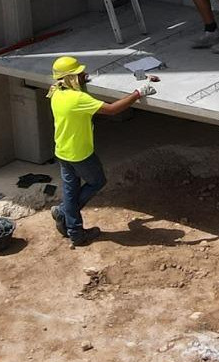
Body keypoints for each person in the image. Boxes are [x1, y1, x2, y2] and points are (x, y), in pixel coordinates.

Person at [48, 55, 153, 247]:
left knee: (71, 191)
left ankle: (74, 231)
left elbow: (80, 95)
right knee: (97, 181)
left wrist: (83, 82)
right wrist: (139, 92)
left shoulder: (55, 93)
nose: (84, 75)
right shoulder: (78, 99)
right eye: (80, 74)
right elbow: (112, 109)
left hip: (62, 151)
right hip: (80, 153)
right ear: (71, 78)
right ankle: (65, 214)